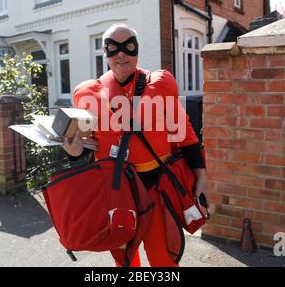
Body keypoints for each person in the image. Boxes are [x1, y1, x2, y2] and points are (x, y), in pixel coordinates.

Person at [62, 23, 208, 267]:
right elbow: (82, 146)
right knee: (124, 260)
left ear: (137, 50)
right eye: (112, 48)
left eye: (128, 47)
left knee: (163, 258)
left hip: (157, 187)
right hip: (115, 192)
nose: (121, 54)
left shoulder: (161, 84)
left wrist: (201, 175)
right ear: (105, 53)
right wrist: (74, 154)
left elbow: (183, 132)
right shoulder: (86, 93)